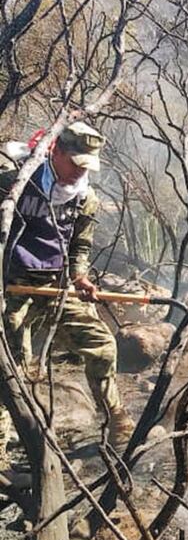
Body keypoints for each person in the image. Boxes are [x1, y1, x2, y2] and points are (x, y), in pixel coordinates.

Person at [0, 122, 135, 460]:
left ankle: (116, 420)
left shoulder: (85, 198)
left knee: (102, 346)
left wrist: (79, 276)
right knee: (14, 371)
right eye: (74, 162)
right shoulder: (15, 184)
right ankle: (3, 452)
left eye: (86, 165)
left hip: (55, 287)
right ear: (55, 152)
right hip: (12, 288)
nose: (79, 172)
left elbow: (80, 247)